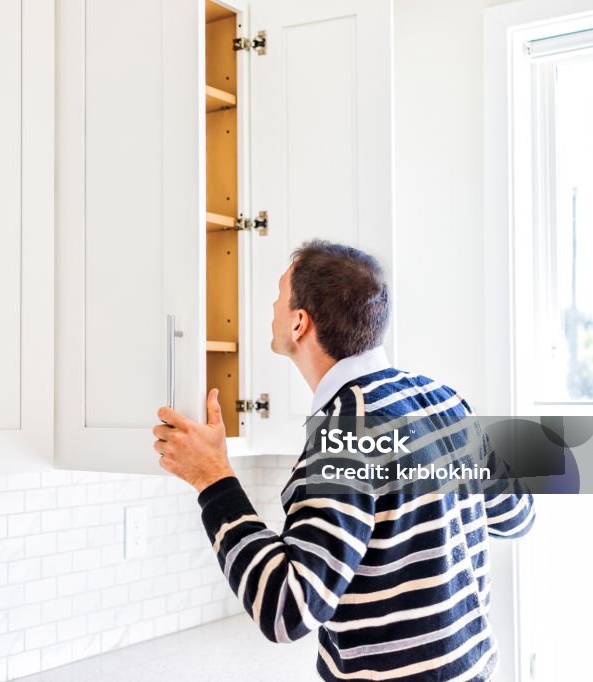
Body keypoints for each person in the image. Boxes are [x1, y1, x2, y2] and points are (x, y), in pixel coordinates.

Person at [153, 239, 535, 681]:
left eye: (278, 297)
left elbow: (286, 609)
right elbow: (517, 516)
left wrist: (212, 478)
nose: (272, 307)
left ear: (299, 323)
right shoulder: (441, 399)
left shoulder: (344, 437)